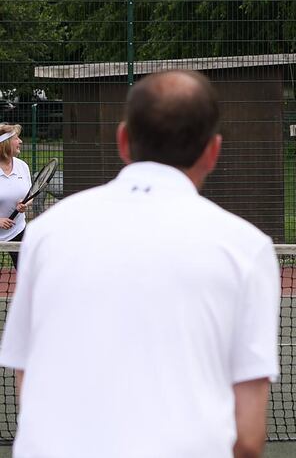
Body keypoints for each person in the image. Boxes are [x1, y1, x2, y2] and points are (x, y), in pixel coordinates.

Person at [0, 70, 281, 458]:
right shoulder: (248, 248)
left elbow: (26, 377)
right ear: (214, 151)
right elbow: (248, 439)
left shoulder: (46, 234)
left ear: (122, 140)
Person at [0, 123, 32, 269]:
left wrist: (25, 203)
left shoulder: (22, 166)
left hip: (18, 230)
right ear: (5, 143)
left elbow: (29, 195)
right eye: (16, 138)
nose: (20, 141)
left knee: (28, 273)